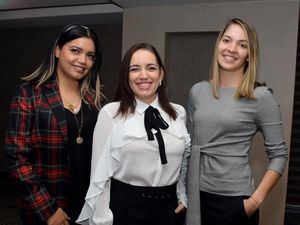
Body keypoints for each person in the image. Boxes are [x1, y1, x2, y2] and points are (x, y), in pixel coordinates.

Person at [185, 18, 288, 225]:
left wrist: (253, 203)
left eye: (242, 45)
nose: (232, 49)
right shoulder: (197, 92)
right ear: (218, 44)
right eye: (227, 40)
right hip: (195, 197)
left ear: (250, 54)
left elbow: (279, 155)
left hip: (234, 203)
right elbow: (187, 147)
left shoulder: (260, 96)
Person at [76, 43, 190, 225]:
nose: (143, 75)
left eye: (151, 68)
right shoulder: (110, 113)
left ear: (161, 74)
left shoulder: (178, 113)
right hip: (126, 209)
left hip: (169, 210)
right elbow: (99, 175)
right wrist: (102, 220)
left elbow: (183, 162)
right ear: (126, 76)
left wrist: (182, 196)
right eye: (135, 69)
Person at [5, 23, 103, 225]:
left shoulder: (96, 102)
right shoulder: (30, 94)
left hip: (89, 208)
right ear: (58, 50)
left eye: (90, 55)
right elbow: (17, 159)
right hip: (47, 210)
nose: (82, 60)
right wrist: (48, 210)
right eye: (75, 51)